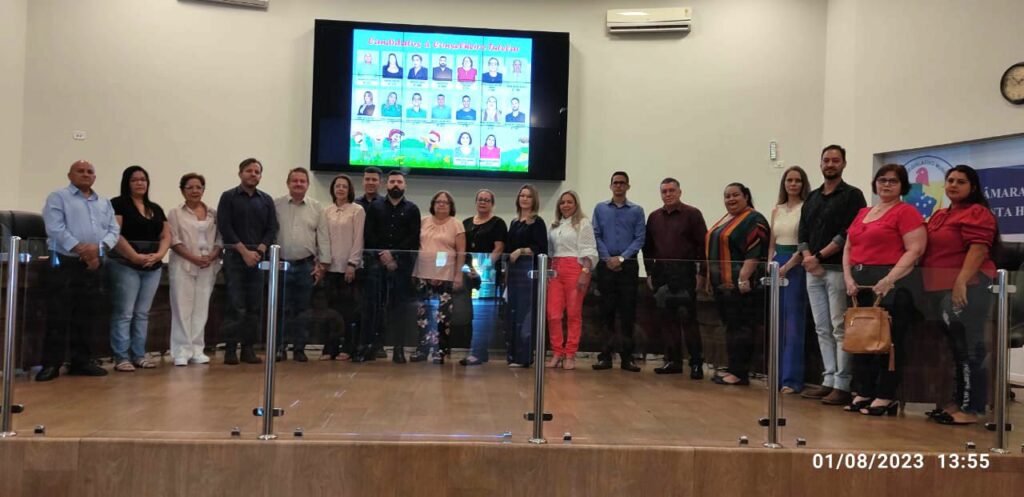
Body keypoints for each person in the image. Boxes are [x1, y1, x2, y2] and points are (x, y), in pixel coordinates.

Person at [843, 164, 925, 415]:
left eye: (893, 181)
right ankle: (864, 391)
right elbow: (848, 247)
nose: (886, 184)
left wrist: (889, 279)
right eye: (882, 180)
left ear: (903, 186)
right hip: (859, 284)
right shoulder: (863, 212)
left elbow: (915, 250)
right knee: (862, 339)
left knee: (888, 343)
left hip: (892, 285)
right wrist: (847, 278)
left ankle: (886, 395)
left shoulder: (906, 212)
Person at [921, 165, 998, 425]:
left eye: (961, 181)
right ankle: (957, 401)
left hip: (969, 286)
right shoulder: (940, 214)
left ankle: (972, 408)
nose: (953, 185)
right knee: (954, 349)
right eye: (950, 180)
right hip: (938, 287)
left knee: (969, 347)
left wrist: (961, 282)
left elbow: (978, 250)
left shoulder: (978, 212)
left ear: (972, 187)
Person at [37, 160, 119, 381]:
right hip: (64, 262)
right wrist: (82, 250)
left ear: (95, 177)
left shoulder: (104, 202)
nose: (85, 174)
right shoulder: (58, 197)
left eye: (90, 172)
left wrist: (99, 250)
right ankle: (51, 364)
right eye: (80, 171)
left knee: (87, 315)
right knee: (58, 314)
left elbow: (114, 230)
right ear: (70, 175)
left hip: (94, 264)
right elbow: (55, 228)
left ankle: (81, 362)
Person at [798, 145, 867, 406]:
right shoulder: (812, 197)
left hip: (837, 269)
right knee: (821, 328)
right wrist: (808, 258)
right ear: (820, 164)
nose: (830, 164)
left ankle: (842, 384)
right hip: (812, 270)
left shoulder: (853, 195)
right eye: (826, 160)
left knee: (839, 327)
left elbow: (847, 233)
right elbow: (802, 232)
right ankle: (827, 379)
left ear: (844, 164)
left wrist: (818, 257)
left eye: (835, 160)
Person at [706, 183, 770, 386]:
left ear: (746, 196)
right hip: (723, 286)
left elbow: (755, 251)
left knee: (742, 328)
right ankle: (734, 367)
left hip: (743, 287)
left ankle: (740, 373)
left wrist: (743, 278)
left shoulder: (754, 219)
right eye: (727, 196)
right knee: (732, 327)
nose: (731, 199)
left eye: (735, 195)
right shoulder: (726, 219)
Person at [642, 177, 707, 378]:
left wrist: (702, 273)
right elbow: (647, 248)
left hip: (685, 273)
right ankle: (673, 361)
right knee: (667, 320)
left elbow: (703, 246)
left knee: (688, 319)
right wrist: (649, 272)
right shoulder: (654, 217)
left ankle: (696, 363)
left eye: (672, 190)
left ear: (680, 192)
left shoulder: (693, 214)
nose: (668, 194)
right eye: (664, 191)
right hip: (662, 274)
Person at [108, 165, 171, 372]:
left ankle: (139, 354)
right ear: (127, 183)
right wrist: (134, 256)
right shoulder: (118, 204)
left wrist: (160, 254)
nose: (140, 183)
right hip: (125, 264)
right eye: (135, 180)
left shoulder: (155, 208)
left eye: (143, 179)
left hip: (152, 266)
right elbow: (115, 234)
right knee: (125, 313)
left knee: (142, 313)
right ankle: (121, 357)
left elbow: (166, 235)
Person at [217, 158, 279, 365]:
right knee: (235, 305)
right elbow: (225, 227)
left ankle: (248, 348)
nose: (253, 174)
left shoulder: (266, 200)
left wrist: (259, 250)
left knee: (254, 306)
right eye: (249, 171)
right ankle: (230, 349)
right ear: (240, 173)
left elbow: (272, 228)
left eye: (257, 171)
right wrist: (244, 252)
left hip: (258, 259)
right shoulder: (228, 197)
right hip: (235, 258)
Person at [363, 170, 421, 363]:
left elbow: (413, 238)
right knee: (375, 307)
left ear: (405, 185)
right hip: (377, 265)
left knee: (399, 309)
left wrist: (394, 255)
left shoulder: (412, 209)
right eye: (392, 181)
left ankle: (398, 349)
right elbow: (369, 234)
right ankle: (373, 346)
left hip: (401, 267)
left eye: (399, 182)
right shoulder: (375, 207)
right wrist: (384, 256)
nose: (396, 185)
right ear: (386, 185)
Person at [592, 171, 646, 372]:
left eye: (622, 183)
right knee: (605, 312)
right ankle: (605, 356)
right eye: (615, 183)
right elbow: (596, 235)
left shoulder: (637, 210)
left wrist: (621, 258)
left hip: (628, 266)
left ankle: (627, 357)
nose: (619, 186)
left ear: (628, 186)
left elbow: (640, 238)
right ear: (611, 186)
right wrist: (608, 258)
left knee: (627, 313)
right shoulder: (600, 208)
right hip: (605, 266)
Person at [167, 173, 221, 367]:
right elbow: (173, 239)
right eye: (190, 187)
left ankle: (197, 349)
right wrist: (193, 257)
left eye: (198, 187)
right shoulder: (175, 213)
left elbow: (220, 239)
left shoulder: (213, 213)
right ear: (182, 190)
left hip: (208, 264)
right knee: (182, 308)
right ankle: (181, 351)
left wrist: (212, 255)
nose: (195, 191)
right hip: (183, 264)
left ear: (203, 189)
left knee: (201, 308)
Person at [768, 166, 811, 393]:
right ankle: (775, 375)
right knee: (777, 322)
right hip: (777, 264)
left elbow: (804, 241)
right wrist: (771, 263)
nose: (793, 184)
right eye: (789, 180)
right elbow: (772, 242)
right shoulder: (777, 210)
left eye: (797, 180)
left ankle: (791, 379)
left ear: (803, 184)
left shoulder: (807, 207)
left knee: (793, 324)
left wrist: (788, 266)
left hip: (796, 264)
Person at [274, 167, 323, 362]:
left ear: (308, 185)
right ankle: (280, 347)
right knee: (282, 308)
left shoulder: (316, 207)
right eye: (295, 181)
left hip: (306, 265)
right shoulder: (276, 205)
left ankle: (299, 348)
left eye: (302, 181)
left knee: (303, 310)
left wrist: (321, 264)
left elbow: (322, 237)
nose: (298, 184)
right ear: (288, 183)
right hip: (281, 265)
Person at [412, 191, 466, 364]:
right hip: (422, 273)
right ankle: (422, 348)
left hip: (445, 275)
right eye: (438, 201)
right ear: (433, 204)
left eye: (445, 202)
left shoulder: (456, 225)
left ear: (451, 206)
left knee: (442, 316)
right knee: (423, 314)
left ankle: (440, 350)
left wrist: (458, 275)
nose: (441, 204)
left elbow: (461, 252)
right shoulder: (423, 221)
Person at [546, 191, 597, 371]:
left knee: (573, 314)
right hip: (555, 269)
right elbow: (550, 251)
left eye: (570, 202)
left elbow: (589, 249)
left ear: (576, 205)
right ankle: (557, 352)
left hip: (575, 268)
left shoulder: (583, 223)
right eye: (562, 202)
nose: (566, 205)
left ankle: (570, 354)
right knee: (553, 314)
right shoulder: (554, 225)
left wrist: (585, 271)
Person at [317, 174, 366, 361]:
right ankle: (329, 348)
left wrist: (352, 263)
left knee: (348, 312)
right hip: (330, 268)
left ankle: (347, 347)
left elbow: (358, 239)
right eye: (337, 186)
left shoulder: (357, 210)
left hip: (348, 268)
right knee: (330, 310)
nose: (340, 189)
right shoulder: (326, 211)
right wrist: (322, 263)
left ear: (349, 190)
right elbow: (322, 239)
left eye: (344, 186)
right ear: (333, 189)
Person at [460, 189, 507, 366]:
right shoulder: (466, 223)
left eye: (487, 200)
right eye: (480, 199)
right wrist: (468, 269)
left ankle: (479, 352)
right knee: (469, 314)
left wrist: (483, 267)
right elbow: (461, 249)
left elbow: (499, 248)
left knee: (483, 314)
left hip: (488, 275)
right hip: (467, 273)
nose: (483, 202)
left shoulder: (498, 223)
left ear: (492, 204)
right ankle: (472, 350)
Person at [506, 184, 547, 367]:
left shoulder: (537, 222)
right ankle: (513, 355)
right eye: (522, 195)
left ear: (534, 200)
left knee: (525, 314)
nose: (524, 199)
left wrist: (522, 250)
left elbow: (541, 248)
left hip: (528, 274)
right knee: (513, 313)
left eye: (528, 196)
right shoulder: (514, 222)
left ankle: (524, 357)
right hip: (514, 273)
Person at [354, 166, 385, 359]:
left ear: (380, 182)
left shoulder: (384, 204)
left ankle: (377, 344)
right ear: (363, 181)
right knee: (358, 305)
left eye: (374, 179)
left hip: (376, 262)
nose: (371, 182)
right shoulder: (355, 203)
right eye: (367, 179)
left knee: (377, 306)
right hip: (355, 260)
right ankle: (356, 344)